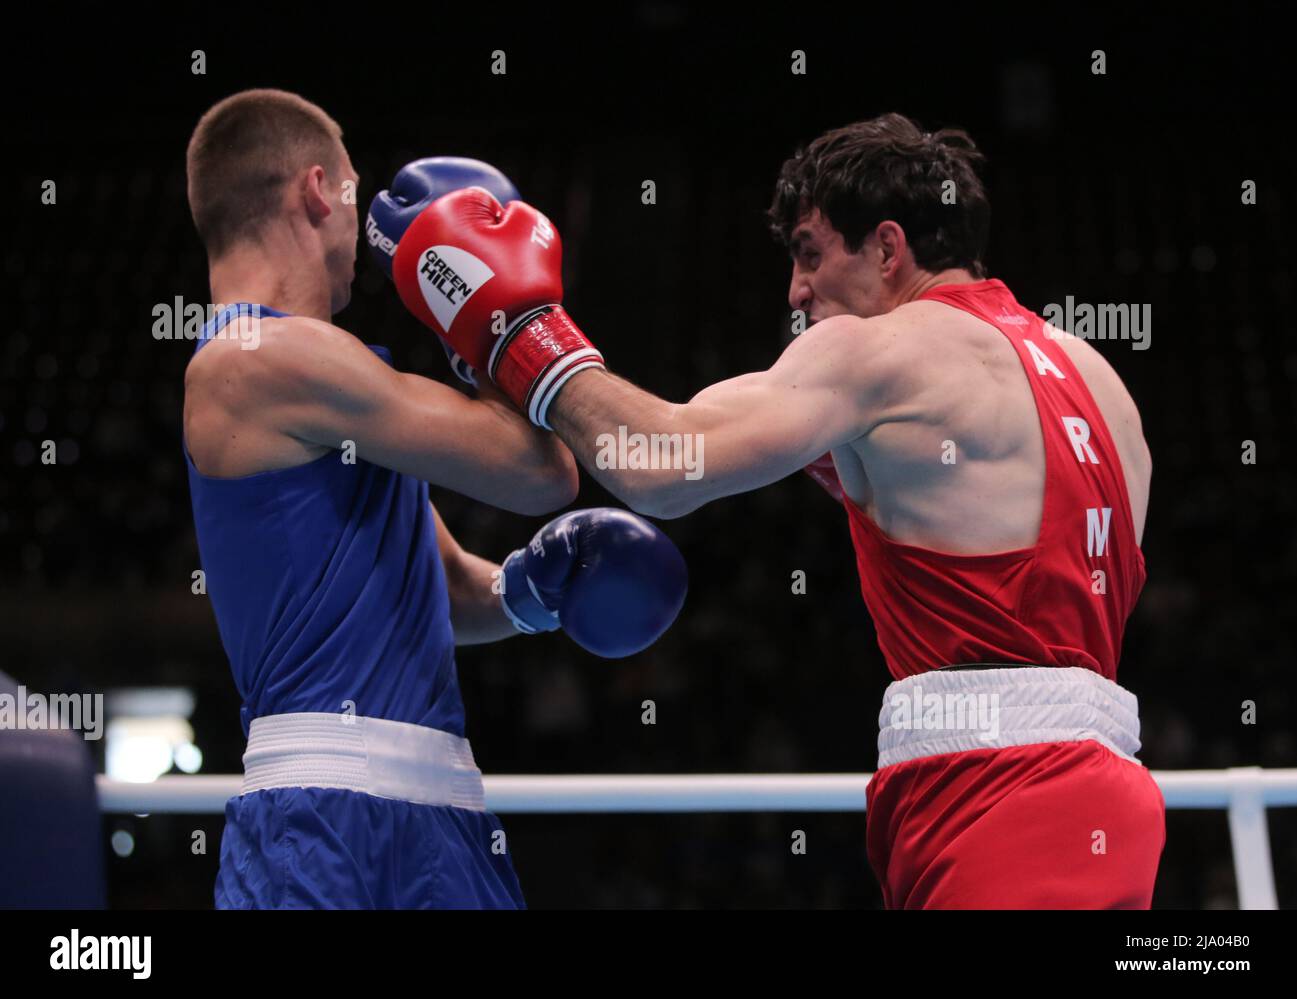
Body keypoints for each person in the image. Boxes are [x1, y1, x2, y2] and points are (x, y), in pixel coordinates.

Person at [375, 112, 1164, 909]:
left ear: (888, 249)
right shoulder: (1098, 381)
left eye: (810, 253)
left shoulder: (880, 352)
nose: (796, 289)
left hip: (1001, 795)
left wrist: (513, 327)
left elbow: (661, 463)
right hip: (1101, 793)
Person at [182, 89, 686, 909]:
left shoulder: (338, 386)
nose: (362, 231)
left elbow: (447, 585)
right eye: (353, 192)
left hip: (442, 805)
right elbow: (541, 474)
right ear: (319, 191)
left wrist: (531, 588)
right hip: (321, 813)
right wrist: (491, 328)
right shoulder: (253, 358)